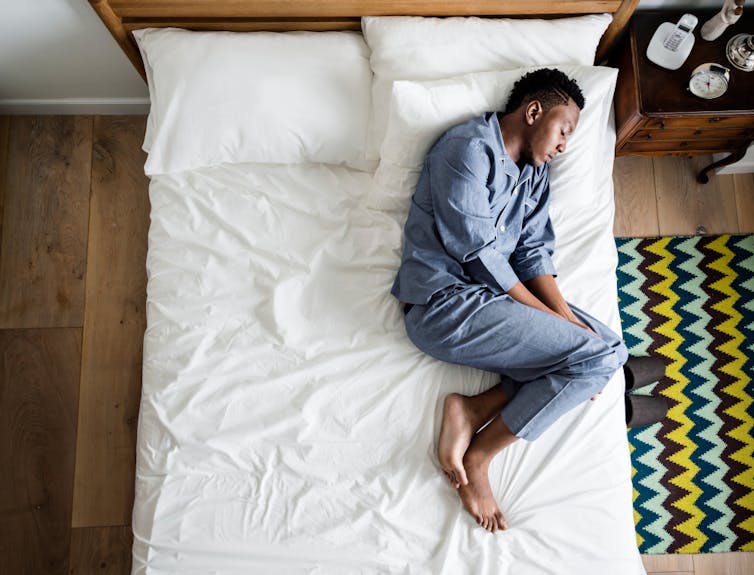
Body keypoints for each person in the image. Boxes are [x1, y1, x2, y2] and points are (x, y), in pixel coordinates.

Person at [391, 68, 629, 533]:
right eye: (564, 130)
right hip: (445, 304)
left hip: (490, 302)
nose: (564, 145)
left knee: (610, 351)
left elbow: (532, 252)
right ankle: (479, 456)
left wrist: (567, 324)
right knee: (594, 360)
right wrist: (558, 328)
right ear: (534, 110)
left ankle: (472, 410)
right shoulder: (467, 148)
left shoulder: (535, 178)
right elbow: (478, 255)